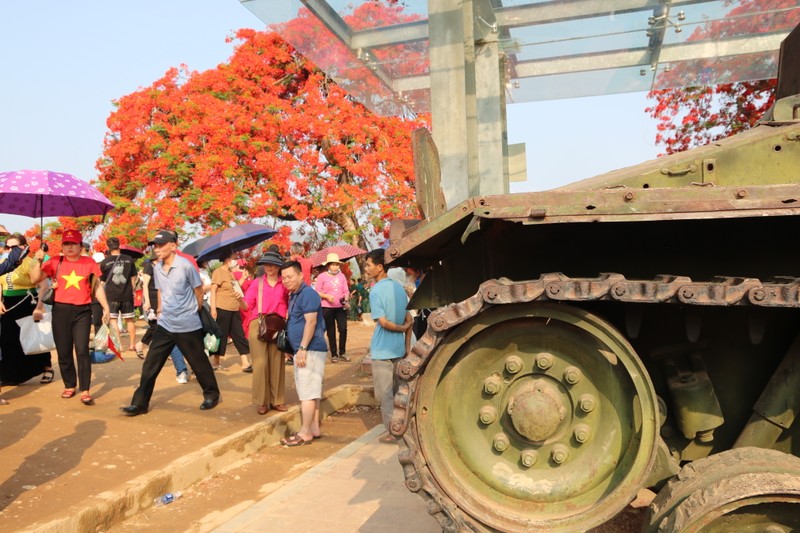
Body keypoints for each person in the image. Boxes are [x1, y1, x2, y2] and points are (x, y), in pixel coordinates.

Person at [119, 229, 220, 416]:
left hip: (187, 324)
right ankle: (140, 403)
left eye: (160, 245)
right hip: (165, 323)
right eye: (155, 246)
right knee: (151, 364)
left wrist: (194, 310)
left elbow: (198, 290)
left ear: (173, 246)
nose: (156, 249)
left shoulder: (186, 266)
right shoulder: (156, 268)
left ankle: (212, 395)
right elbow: (160, 289)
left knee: (198, 362)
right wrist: (160, 308)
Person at [30, 229, 111, 405]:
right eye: (66, 244)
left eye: (73, 243)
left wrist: (106, 307)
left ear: (81, 246)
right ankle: (70, 385)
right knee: (63, 350)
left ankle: (86, 389)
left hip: (82, 311)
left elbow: (96, 287)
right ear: (62, 246)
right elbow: (35, 279)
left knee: (82, 350)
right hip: (60, 311)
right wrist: (38, 260)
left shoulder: (89, 263)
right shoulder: (55, 261)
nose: (70, 247)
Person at [363, 249, 413, 444]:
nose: (366, 269)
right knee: (400, 392)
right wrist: (407, 345)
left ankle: (393, 431)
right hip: (399, 348)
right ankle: (404, 426)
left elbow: (382, 322)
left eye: (368, 265)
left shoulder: (375, 290)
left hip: (382, 349)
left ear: (379, 267)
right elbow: (410, 319)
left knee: (384, 394)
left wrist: (400, 327)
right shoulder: (399, 289)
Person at [279, 260, 327, 446]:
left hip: (310, 349)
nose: (286, 280)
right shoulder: (295, 295)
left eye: (290, 276)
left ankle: (305, 432)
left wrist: (303, 348)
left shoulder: (307, 294)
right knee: (313, 391)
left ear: (301, 275)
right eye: (284, 278)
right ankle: (314, 428)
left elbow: (311, 322)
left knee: (306, 393)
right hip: (305, 350)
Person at [0, 233, 55, 388]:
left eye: (14, 247)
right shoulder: (4, 262)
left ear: (23, 247)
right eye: (8, 247)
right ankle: (11, 374)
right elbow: (1, 283)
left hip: (27, 302)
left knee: (34, 336)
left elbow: (43, 286)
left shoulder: (30, 263)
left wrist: (39, 307)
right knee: (8, 340)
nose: (10, 250)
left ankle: (46, 367)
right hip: (8, 305)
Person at [242, 251, 288, 415]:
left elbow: (291, 303)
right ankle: (262, 401)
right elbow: (246, 305)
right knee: (260, 364)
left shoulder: (285, 283)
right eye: (267, 264)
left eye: (273, 264)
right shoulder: (257, 283)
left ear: (279, 266)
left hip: (277, 325)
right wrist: (238, 299)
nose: (269, 267)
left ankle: (277, 400)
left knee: (277, 362)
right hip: (259, 323)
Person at [210, 254, 251, 372]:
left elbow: (235, 289)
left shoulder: (230, 273)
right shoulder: (218, 272)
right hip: (222, 307)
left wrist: (243, 277)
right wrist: (213, 309)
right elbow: (213, 291)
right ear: (227, 260)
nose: (235, 261)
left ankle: (245, 362)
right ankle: (216, 362)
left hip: (234, 308)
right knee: (221, 336)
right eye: (233, 258)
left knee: (239, 334)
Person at [100, 237, 138, 352]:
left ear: (108, 247)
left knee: (113, 321)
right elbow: (133, 277)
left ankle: (119, 346)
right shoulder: (129, 259)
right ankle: (132, 345)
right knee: (129, 320)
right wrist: (132, 289)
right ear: (119, 245)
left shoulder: (105, 262)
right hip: (127, 294)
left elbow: (102, 281)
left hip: (111, 295)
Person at [314, 253, 350, 363]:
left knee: (343, 328)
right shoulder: (321, 277)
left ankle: (342, 352)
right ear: (328, 265)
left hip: (340, 306)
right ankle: (334, 353)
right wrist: (326, 296)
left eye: (337, 265)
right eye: (333, 265)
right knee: (331, 331)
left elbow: (346, 291)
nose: (335, 267)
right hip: (327, 307)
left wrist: (346, 300)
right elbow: (316, 291)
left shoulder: (342, 276)